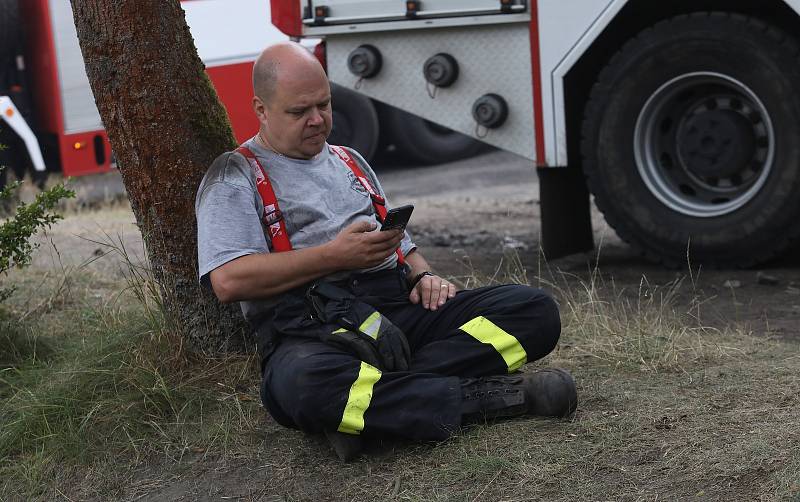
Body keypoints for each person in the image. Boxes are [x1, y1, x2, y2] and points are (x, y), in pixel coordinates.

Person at [195, 42, 577, 461]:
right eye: (299, 111)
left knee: (535, 312)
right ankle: (499, 397)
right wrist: (334, 256)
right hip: (315, 332)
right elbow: (229, 281)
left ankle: (372, 404)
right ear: (261, 109)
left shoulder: (350, 160)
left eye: (324, 105)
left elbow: (403, 247)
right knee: (305, 386)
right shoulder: (235, 174)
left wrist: (423, 275)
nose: (317, 120)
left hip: (396, 314)